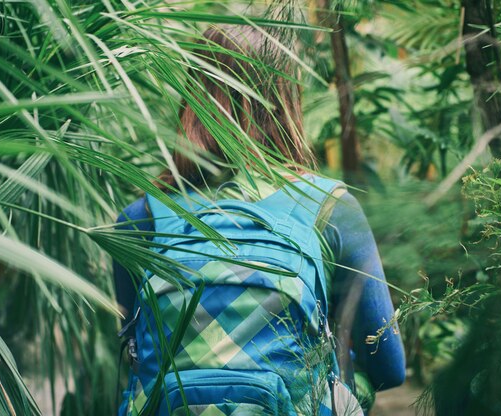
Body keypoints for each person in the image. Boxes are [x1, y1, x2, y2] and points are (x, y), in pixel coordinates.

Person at [114, 25, 405, 414]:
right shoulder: (329, 208)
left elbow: (137, 354)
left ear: (193, 98)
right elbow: (389, 366)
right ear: (287, 103)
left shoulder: (142, 217)